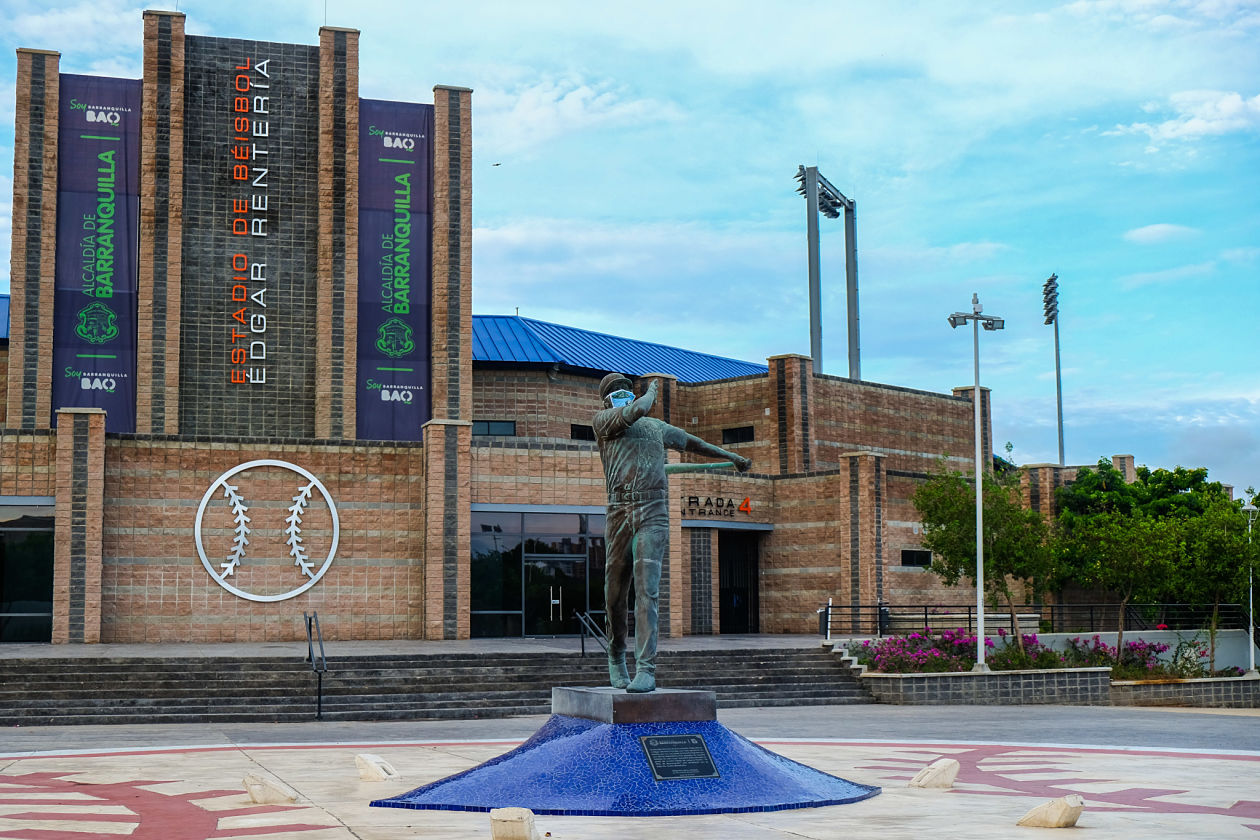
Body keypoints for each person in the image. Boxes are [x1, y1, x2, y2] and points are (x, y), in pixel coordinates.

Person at [594, 373, 751, 692]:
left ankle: (646, 669)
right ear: (607, 399)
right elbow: (635, 411)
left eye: (625, 388)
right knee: (615, 593)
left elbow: (692, 442)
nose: (622, 393)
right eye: (616, 391)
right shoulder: (604, 422)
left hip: (653, 510)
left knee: (647, 590)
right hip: (619, 511)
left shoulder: (654, 428)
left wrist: (730, 456)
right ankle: (615, 655)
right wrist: (650, 393)